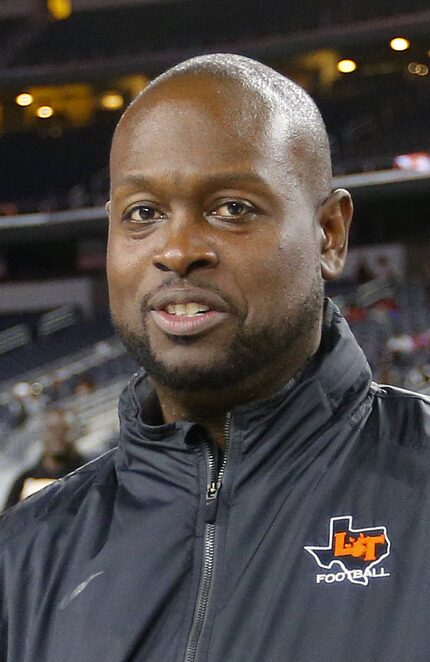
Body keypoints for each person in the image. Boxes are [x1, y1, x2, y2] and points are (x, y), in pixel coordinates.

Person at [0, 54, 429, 662]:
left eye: (232, 208)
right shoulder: (24, 557)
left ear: (329, 233)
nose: (176, 251)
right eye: (143, 214)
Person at [4, 408, 85, 509]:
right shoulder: (26, 480)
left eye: (63, 429)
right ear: (42, 434)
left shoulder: (87, 473)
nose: (57, 435)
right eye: (52, 430)